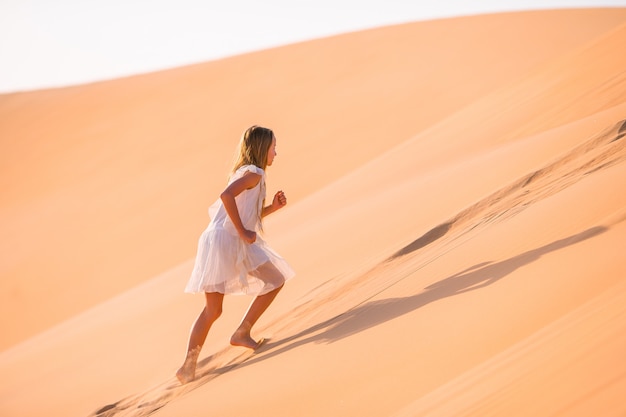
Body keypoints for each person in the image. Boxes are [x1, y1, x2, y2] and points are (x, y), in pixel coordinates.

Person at [176, 125, 295, 384]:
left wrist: (272, 208)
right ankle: (242, 332)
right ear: (263, 149)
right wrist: (242, 232)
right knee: (275, 280)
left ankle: (188, 367)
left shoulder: (247, 173)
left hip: (218, 239)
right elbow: (226, 196)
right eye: (274, 147)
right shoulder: (255, 173)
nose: (276, 152)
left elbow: (245, 214)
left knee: (213, 310)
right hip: (227, 240)